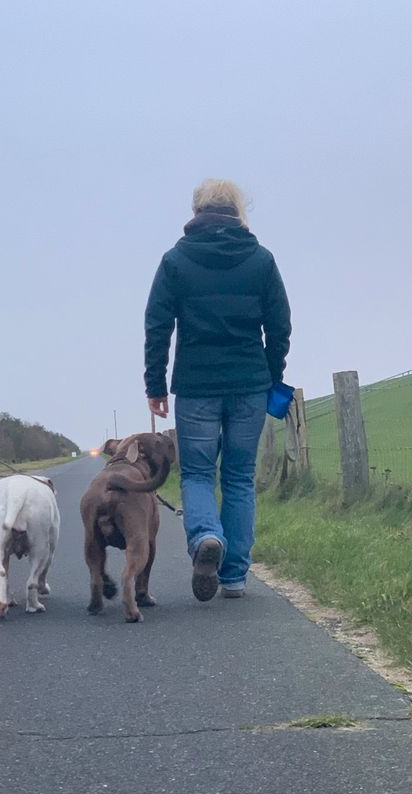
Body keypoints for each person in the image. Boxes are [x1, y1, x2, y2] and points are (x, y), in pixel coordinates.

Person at [144, 179, 291, 602]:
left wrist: (155, 383)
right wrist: (270, 372)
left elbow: (157, 325)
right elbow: (280, 326)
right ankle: (234, 577)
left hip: (196, 385)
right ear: (238, 210)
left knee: (197, 474)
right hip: (249, 383)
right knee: (240, 477)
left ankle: (207, 535)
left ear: (196, 211)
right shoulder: (261, 261)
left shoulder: (176, 260)